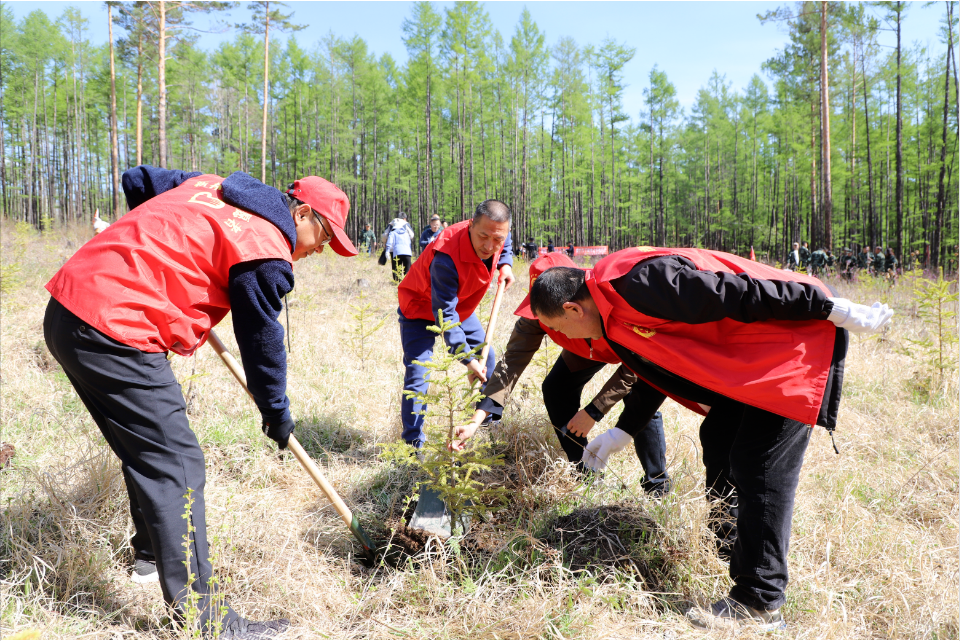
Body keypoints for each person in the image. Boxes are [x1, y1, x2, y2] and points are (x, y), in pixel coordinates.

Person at [43, 165, 358, 639]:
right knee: (178, 464)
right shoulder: (266, 251)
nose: (320, 250)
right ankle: (204, 620)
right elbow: (261, 341)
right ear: (303, 212)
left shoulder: (213, 184)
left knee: (147, 450)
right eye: (325, 236)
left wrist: (157, 255)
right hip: (117, 331)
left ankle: (151, 556)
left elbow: (138, 179)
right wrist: (275, 413)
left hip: (69, 311)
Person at [527, 247, 893, 631]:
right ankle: (733, 547)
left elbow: (736, 292)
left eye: (561, 329)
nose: (563, 338)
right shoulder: (611, 318)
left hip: (792, 345)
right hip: (747, 365)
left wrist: (828, 308)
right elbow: (660, 368)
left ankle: (759, 600)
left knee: (759, 464)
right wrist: (623, 430)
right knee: (718, 438)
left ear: (572, 309)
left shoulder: (636, 283)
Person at [452, 253, 672, 496]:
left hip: (625, 348)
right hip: (584, 349)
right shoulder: (536, 315)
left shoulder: (611, 302)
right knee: (556, 389)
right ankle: (585, 470)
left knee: (640, 399)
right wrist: (476, 420)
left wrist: (593, 411)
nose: (544, 319)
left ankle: (657, 486)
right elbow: (511, 363)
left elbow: (639, 366)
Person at [396, 200, 516, 447]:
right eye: (483, 236)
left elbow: (506, 242)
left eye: (497, 239)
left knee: (488, 357)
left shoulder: (497, 233)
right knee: (419, 375)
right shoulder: (445, 257)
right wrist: (468, 360)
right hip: (420, 306)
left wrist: (505, 263)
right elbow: (445, 317)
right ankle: (413, 446)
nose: (489, 245)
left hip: (458, 305)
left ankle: (485, 426)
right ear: (471, 225)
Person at [386, 215, 414, 281]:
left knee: (397, 270)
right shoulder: (406, 233)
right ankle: (407, 285)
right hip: (407, 253)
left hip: (397, 253)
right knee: (407, 271)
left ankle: (397, 283)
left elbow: (389, 243)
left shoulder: (392, 233)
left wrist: (387, 251)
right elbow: (409, 242)